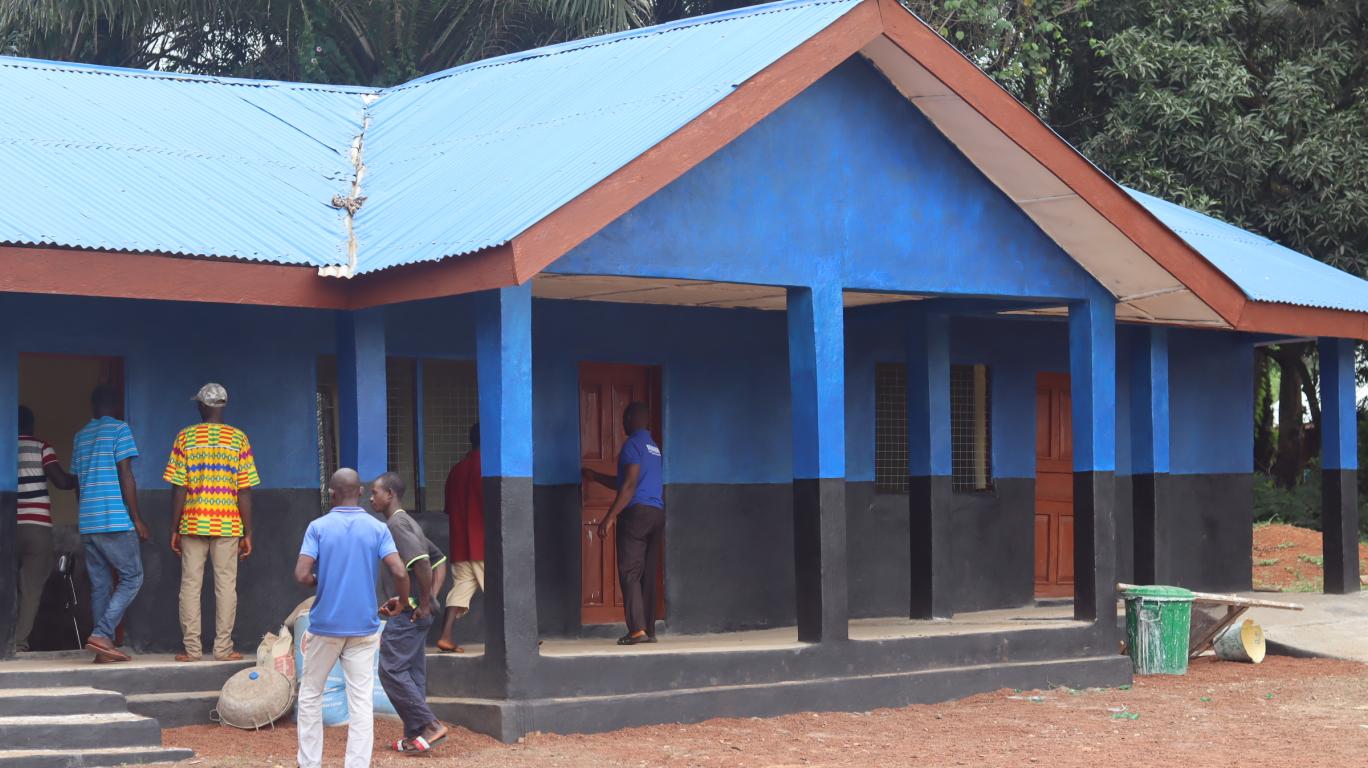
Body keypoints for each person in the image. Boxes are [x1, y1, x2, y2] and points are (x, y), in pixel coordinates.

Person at [294, 468, 410, 768]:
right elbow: (399, 571)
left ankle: (309, 763)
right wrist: (402, 601)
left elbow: (302, 574)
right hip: (364, 627)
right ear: (359, 492)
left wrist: (322, 580)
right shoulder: (377, 528)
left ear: (331, 494)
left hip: (326, 627)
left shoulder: (317, 527)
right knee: (361, 702)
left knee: (310, 694)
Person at [163, 383, 260, 662]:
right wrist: (248, 531)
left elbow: (178, 487)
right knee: (226, 586)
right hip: (228, 525)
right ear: (223, 406)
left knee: (190, 586)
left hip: (193, 523)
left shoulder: (186, 438)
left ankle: (192, 650)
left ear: (202, 406)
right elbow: (245, 490)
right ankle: (223, 649)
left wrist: (174, 527)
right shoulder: (238, 439)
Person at [371, 471, 449, 753]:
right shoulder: (409, 522)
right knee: (412, 674)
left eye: (375, 492)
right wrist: (426, 599)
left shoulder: (397, 524)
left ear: (389, 494)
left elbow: (423, 564)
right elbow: (439, 558)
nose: (371, 498)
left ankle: (429, 726)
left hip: (410, 616)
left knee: (390, 670)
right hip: (415, 611)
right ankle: (417, 737)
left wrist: (423, 602)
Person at [70, 385, 149, 662]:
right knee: (132, 577)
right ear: (115, 406)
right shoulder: (119, 430)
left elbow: (78, 483)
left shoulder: (80, 436)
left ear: (93, 406)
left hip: (88, 521)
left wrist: (84, 516)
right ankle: (103, 634)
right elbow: (126, 474)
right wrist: (136, 517)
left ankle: (101, 653)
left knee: (100, 585)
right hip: (113, 519)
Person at [581, 402, 664, 645]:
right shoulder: (653, 447)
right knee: (648, 574)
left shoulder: (632, 445)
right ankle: (648, 630)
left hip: (636, 515)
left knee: (630, 572)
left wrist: (608, 518)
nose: (622, 423)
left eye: (624, 418)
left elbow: (629, 486)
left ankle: (636, 630)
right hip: (656, 513)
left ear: (629, 418)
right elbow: (630, 482)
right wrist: (595, 477)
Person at [15, 405, 77, 652]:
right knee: (30, 589)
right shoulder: (42, 446)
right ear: (31, 424)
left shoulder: (4, 446)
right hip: (37, 527)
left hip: (7, 528)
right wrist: (80, 477)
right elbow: (61, 481)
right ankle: (18, 643)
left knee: (7, 586)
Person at [437, 422, 483, 653]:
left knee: (461, 588)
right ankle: (521, 639)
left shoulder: (457, 469)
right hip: (484, 545)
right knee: (503, 590)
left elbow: (448, 509)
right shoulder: (489, 469)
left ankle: (446, 636)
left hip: (460, 545)